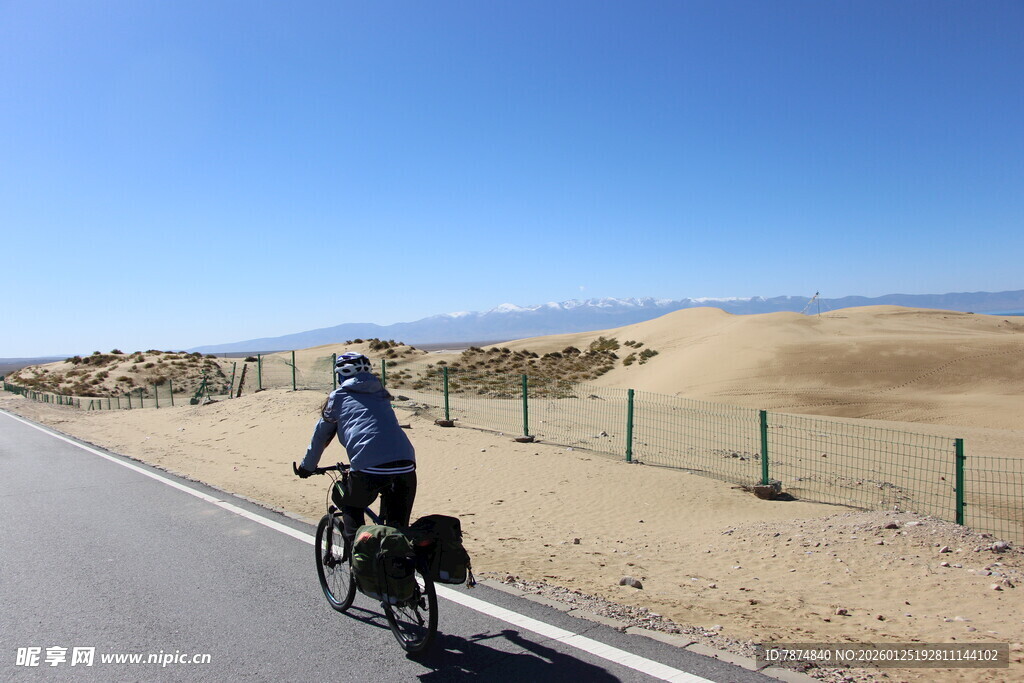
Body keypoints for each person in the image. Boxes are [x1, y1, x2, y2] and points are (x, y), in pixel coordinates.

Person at [296, 352, 416, 545]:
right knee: (399, 530)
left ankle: (356, 555)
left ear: (341, 375)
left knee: (350, 503)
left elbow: (321, 435)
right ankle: (402, 567)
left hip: (368, 466)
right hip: (406, 464)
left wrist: (307, 467)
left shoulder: (338, 397)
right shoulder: (381, 393)